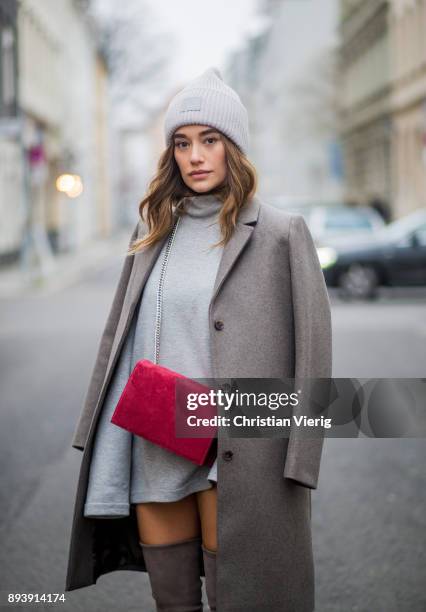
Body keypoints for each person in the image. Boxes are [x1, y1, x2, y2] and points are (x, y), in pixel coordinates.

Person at [65, 67, 332, 612]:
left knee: (240, 596)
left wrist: (300, 460)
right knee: (173, 601)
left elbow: (314, 353)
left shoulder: (282, 234)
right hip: (156, 441)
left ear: (234, 146)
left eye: (210, 140)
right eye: (182, 143)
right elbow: (120, 337)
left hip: (235, 449)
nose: (195, 156)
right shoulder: (150, 236)